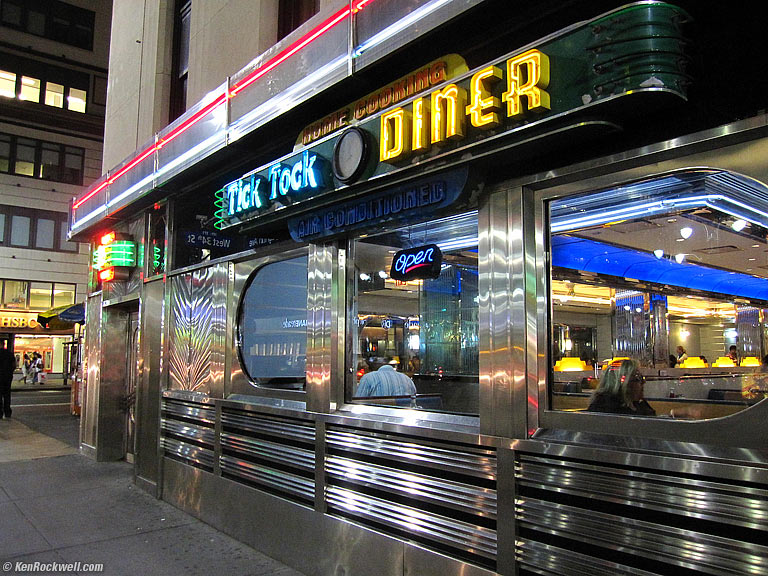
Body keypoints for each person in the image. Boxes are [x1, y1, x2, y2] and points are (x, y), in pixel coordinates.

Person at [587, 359, 656, 416]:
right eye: (638, 378)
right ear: (624, 384)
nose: (644, 382)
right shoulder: (606, 408)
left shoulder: (638, 404)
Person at [0, 344, 16, 418]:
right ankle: (7, 412)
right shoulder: (9, 354)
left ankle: (0, 413)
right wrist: (10, 372)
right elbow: (14, 365)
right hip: (7, 377)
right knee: (7, 395)